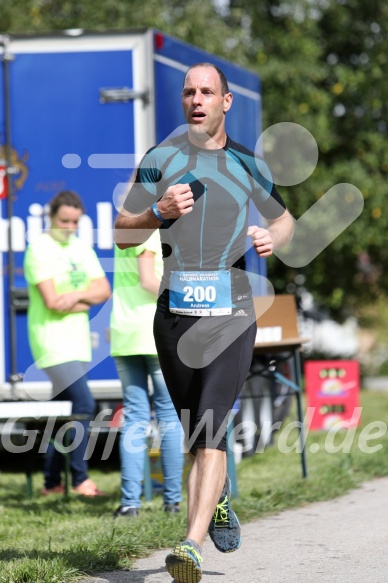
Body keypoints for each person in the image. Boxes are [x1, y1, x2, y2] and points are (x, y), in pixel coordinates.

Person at [114, 63, 294, 583]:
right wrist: (158, 213)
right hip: (174, 314)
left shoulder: (246, 164)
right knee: (198, 434)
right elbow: (123, 232)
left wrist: (271, 239)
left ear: (226, 101)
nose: (196, 100)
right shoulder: (160, 159)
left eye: (207, 92)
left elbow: (283, 218)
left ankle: (189, 546)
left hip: (232, 310)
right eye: (189, 92)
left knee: (212, 426)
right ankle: (216, 502)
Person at [24, 190, 111, 497]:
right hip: (51, 343)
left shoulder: (81, 248)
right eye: (64, 220)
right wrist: (85, 298)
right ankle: (80, 479)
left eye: (75, 221)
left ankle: (50, 482)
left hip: (77, 342)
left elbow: (103, 291)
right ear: (51, 216)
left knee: (64, 411)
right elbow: (50, 302)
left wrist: (74, 297)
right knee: (85, 404)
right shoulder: (39, 250)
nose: (69, 227)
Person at [110, 229, 183, 517]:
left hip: (124, 333)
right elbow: (147, 279)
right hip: (155, 332)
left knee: (135, 417)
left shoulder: (123, 232)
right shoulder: (149, 230)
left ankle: (130, 502)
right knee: (168, 416)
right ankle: (172, 502)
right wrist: (184, 298)